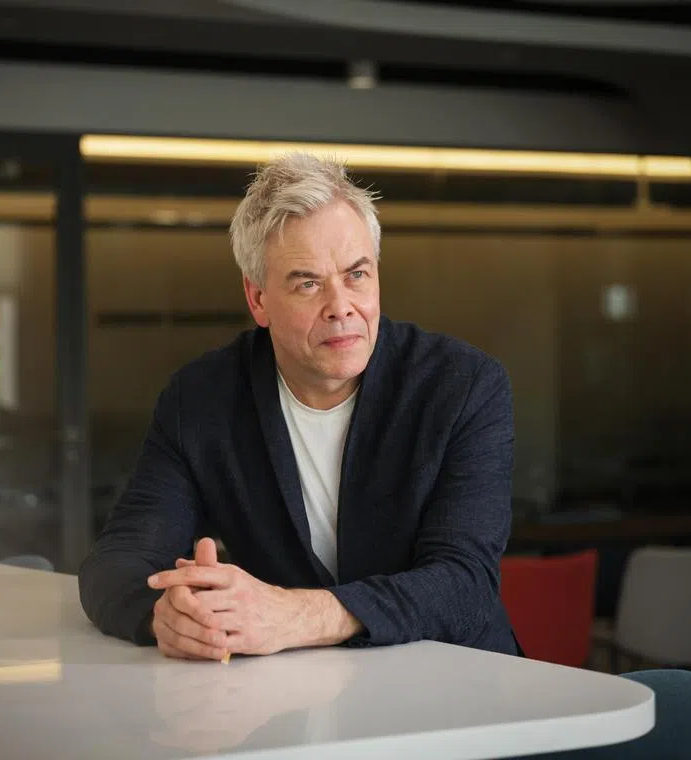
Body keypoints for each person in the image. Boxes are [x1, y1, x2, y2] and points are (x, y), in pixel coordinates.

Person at [78, 152, 521, 661]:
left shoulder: (463, 386)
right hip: (296, 700)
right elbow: (118, 561)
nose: (341, 306)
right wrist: (166, 616)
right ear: (259, 299)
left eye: (357, 275)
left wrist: (294, 614)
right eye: (308, 282)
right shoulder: (202, 399)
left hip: (460, 691)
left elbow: (463, 584)